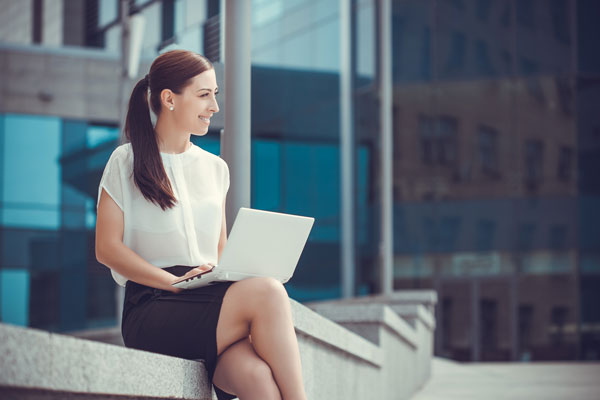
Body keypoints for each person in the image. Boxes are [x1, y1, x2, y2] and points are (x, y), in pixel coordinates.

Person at [95, 49, 307, 400]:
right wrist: (174, 283)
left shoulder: (215, 168)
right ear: (169, 99)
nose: (214, 107)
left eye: (216, 95)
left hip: (209, 297)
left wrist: (218, 273)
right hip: (153, 305)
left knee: (259, 381)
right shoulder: (125, 161)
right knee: (269, 291)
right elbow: (107, 249)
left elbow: (221, 250)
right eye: (204, 95)